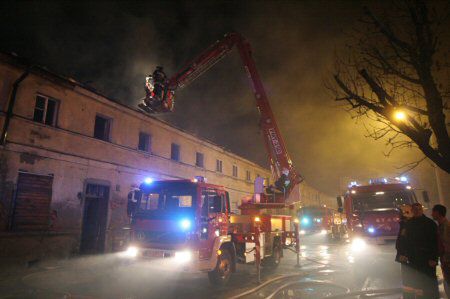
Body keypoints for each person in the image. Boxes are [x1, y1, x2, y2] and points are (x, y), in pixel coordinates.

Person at [405, 203, 440, 298]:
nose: (416, 211)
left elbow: (435, 243)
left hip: (428, 258)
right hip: (414, 258)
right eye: (414, 209)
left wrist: (433, 258)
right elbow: (407, 241)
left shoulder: (430, 223)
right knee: (418, 283)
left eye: (418, 209)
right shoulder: (408, 224)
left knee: (430, 282)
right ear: (412, 211)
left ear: (422, 210)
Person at [396, 204, 416, 298]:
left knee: (409, 279)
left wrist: (402, 253)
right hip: (406, 255)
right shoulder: (405, 224)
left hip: (408, 256)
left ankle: (409, 296)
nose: (399, 215)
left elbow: (404, 241)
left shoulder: (407, 225)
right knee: (408, 280)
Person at [432, 204, 450, 297]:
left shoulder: (447, 226)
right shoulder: (440, 226)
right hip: (445, 260)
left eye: (433, 212)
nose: (431, 214)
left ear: (437, 213)